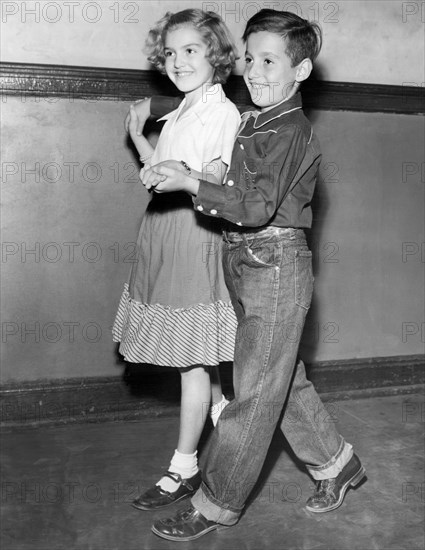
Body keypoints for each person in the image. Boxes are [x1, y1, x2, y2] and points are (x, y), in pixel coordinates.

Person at [133, 9, 366, 541]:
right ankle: (337, 464)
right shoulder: (256, 120)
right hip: (244, 260)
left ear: (301, 71)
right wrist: (193, 171)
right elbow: (231, 181)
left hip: (275, 261)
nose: (255, 72)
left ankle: (216, 505)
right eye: (249, 59)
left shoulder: (290, 129)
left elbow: (257, 206)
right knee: (281, 380)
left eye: (270, 61)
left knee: (253, 395)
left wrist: (192, 186)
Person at [112, 8, 241, 511]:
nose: (178, 60)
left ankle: (183, 467)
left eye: (191, 50)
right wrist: (142, 138)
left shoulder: (222, 113)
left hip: (193, 235)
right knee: (196, 357)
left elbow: (210, 182)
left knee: (190, 361)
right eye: (170, 52)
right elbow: (156, 175)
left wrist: (175, 167)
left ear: (216, 55)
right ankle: (223, 415)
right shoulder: (185, 108)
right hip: (162, 232)